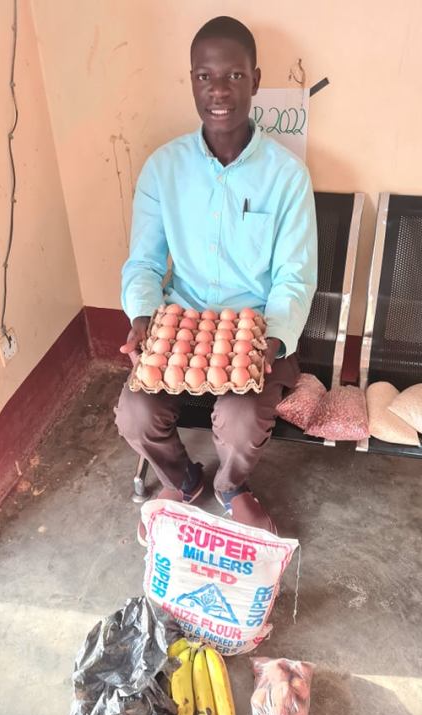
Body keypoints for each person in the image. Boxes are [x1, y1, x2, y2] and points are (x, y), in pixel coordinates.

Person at [116, 15, 317, 543]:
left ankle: (231, 486)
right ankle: (182, 480)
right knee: (135, 414)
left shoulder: (286, 176)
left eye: (233, 75)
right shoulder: (163, 169)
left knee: (241, 420)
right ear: (191, 81)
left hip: (257, 329)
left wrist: (270, 342)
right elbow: (143, 263)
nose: (219, 90)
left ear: (256, 80)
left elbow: (295, 278)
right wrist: (143, 318)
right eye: (205, 76)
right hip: (182, 325)